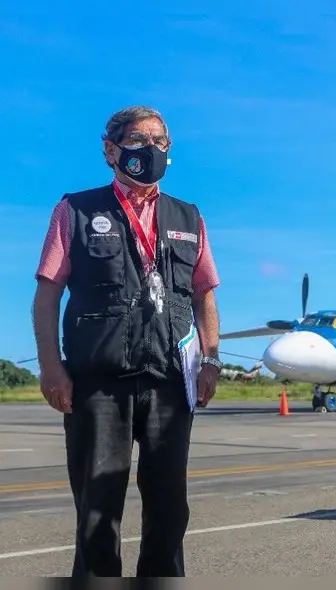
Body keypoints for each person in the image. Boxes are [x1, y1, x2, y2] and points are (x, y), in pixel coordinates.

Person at [31, 105, 223, 578]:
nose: (151, 149)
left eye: (162, 142)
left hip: (168, 383)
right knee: (98, 512)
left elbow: (205, 293)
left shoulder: (188, 217)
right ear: (111, 149)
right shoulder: (75, 210)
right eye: (140, 140)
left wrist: (211, 359)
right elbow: (47, 295)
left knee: (169, 510)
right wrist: (51, 367)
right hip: (99, 383)